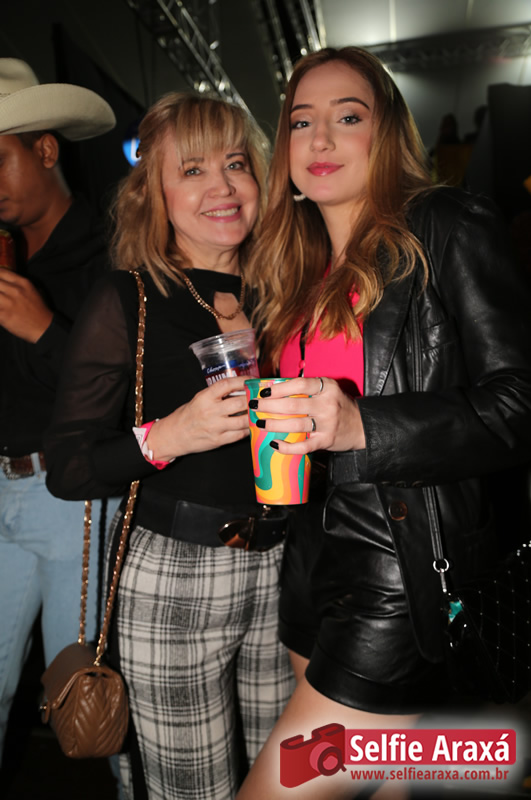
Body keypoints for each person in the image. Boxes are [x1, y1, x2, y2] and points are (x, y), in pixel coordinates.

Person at [236, 46, 531, 799]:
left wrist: (363, 426)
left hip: (399, 561)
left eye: (347, 117)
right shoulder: (291, 267)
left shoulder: (445, 223)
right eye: (301, 121)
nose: (319, 138)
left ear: (387, 132)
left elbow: (520, 402)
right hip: (308, 559)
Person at [44, 92, 294, 800]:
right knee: (194, 789)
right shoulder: (128, 298)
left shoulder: (286, 294)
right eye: (192, 169)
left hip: (286, 565)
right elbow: (68, 466)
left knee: (290, 780)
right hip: (177, 578)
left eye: (236, 164)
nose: (222, 186)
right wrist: (167, 436)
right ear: (152, 192)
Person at [0, 58, 117, 766]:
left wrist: (43, 329)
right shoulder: (4, 251)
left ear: (45, 150)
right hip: (3, 487)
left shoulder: (111, 248)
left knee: (88, 697)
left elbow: (127, 391)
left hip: (73, 496)